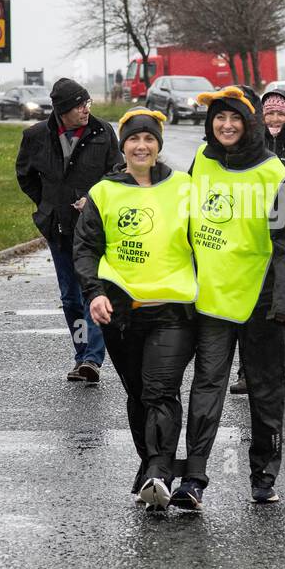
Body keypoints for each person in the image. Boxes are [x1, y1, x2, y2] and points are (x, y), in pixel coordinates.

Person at [181, 86, 285, 507]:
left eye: (235, 118)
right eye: (219, 118)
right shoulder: (202, 161)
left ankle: (264, 476)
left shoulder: (271, 173)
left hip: (262, 299)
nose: (226, 125)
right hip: (214, 299)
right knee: (207, 385)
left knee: (265, 391)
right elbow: (186, 226)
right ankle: (193, 478)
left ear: (249, 123)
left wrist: (284, 301)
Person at [73, 108, 197, 511]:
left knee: (161, 389)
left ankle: (160, 472)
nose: (141, 146)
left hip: (174, 309)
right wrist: (94, 293)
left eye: (149, 139)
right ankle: (150, 469)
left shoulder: (184, 186)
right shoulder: (104, 192)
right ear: (123, 146)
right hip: (121, 311)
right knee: (138, 394)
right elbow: (86, 248)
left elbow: (210, 241)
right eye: (133, 140)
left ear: (158, 145)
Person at [16, 77, 121, 386]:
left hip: (94, 229)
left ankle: (93, 358)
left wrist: (94, 199)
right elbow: (25, 175)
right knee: (70, 297)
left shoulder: (103, 132)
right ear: (62, 110)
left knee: (93, 290)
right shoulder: (36, 136)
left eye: (87, 103)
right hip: (58, 228)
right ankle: (81, 354)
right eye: (79, 106)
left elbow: (116, 172)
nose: (85, 110)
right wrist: (48, 204)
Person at [229, 85, 285, 398]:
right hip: (253, 240)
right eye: (269, 112)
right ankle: (247, 372)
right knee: (248, 307)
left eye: (281, 113)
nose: (275, 118)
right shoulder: (251, 146)